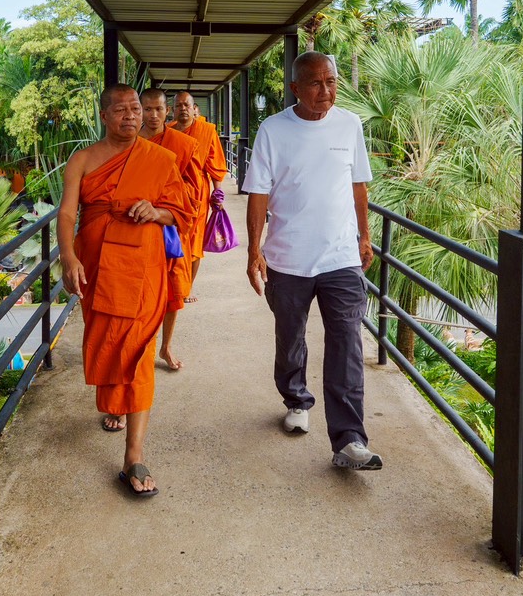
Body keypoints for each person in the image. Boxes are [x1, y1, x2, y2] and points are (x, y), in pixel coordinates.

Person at [242, 52, 380, 471]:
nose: (326, 91)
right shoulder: (273, 129)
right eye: (316, 84)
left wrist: (365, 235)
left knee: (347, 343)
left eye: (332, 82)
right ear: (295, 88)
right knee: (291, 337)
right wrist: (254, 250)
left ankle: (349, 440)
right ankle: (296, 398)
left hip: (340, 257)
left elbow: (358, 185)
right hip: (287, 258)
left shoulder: (350, 124)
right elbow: (259, 194)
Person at [59, 84, 194, 497]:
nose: (132, 116)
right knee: (110, 345)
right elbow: (67, 213)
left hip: (143, 267)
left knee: (138, 353)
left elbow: (182, 213)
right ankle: (117, 408)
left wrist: (156, 211)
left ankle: (133, 454)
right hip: (98, 268)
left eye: (137, 109)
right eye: (122, 110)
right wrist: (68, 259)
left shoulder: (160, 159)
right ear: (104, 116)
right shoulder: (82, 159)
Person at [138, 88, 209, 371]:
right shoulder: (128, 142)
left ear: (166, 112)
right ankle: (141, 350)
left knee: (171, 291)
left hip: (168, 226)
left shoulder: (180, 143)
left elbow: (194, 189)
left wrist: (167, 197)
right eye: (147, 109)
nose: (153, 115)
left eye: (158, 109)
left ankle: (165, 345)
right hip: (135, 225)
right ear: (138, 110)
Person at [172, 91, 228, 299]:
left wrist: (218, 192)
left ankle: (187, 287)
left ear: (194, 108)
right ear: (173, 110)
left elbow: (215, 165)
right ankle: (176, 283)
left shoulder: (206, 131)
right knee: (174, 240)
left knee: (195, 244)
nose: (183, 109)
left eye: (186, 105)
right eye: (179, 106)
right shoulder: (166, 132)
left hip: (198, 196)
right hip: (172, 195)